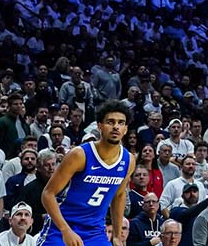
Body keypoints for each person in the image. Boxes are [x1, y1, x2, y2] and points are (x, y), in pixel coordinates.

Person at [35, 101, 134, 246]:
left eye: (121, 123)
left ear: (125, 129)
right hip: (62, 227)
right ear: (100, 126)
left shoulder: (128, 160)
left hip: (95, 231)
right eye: (110, 122)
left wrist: (117, 236)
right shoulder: (80, 155)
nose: (115, 127)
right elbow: (47, 194)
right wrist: (65, 230)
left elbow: (119, 195)